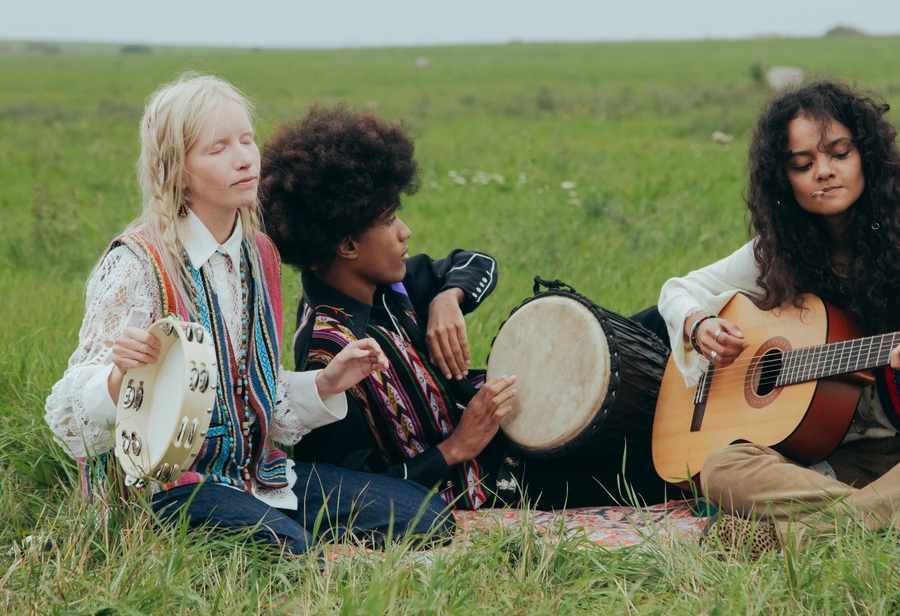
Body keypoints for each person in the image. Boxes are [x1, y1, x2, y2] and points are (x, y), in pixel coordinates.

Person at [43, 73, 453, 556]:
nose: (244, 158)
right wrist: (117, 379)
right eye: (217, 149)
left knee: (424, 516)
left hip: (254, 475)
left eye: (246, 139)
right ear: (176, 170)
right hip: (164, 490)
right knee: (292, 553)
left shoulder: (260, 256)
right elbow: (68, 418)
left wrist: (326, 383)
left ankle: (274, 531)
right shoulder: (136, 262)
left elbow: (257, 398)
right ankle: (254, 542)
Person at [657, 80, 900, 555]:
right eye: (803, 164)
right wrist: (699, 325)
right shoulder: (777, 252)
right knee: (722, 465)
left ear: (867, 156)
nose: (823, 173)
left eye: (839, 154)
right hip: (824, 464)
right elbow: (679, 290)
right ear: (783, 179)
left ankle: (805, 536)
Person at [262, 105, 670, 510]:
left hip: (504, 435)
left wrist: (447, 298)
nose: (405, 231)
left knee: (661, 321)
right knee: (659, 467)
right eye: (388, 220)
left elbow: (477, 263)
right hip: (494, 483)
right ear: (347, 245)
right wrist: (455, 448)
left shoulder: (392, 287)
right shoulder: (329, 354)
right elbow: (354, 492)